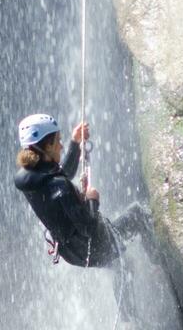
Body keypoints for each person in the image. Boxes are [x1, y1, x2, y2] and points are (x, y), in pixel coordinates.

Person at [14, 113, 155, 269]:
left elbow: (63, 174)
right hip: (93, 248)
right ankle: (162, 263)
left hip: (72, 251)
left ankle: (124, 279)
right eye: (58, 141)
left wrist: (75, 143)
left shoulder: (33, 177)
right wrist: (92, 200)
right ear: (47, 146)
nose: (61, 145)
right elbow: (89, 227)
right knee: (138, 215)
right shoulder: (60, 187)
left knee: (121, 264)